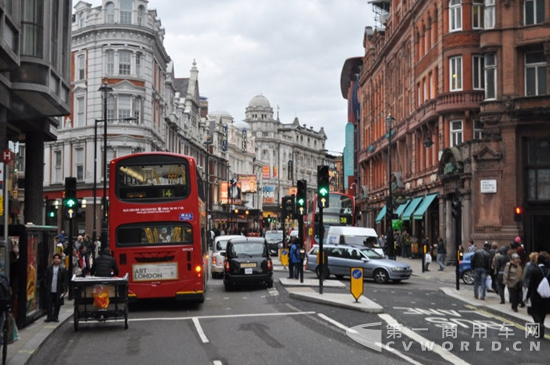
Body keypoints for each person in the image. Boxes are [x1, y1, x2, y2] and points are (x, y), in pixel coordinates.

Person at [526, 252, 550, 338]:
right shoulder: (549, 271)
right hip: (547, 296)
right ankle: (539, 331)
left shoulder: (534, 270)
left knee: (534, 311)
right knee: (542, 312)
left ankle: (539, 326)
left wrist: (527, 296)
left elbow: (531, 285)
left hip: (535, 295)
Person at [44, 253, 68, 322]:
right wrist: (46, 286)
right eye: (55, 258)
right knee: (49, 303)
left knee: (57, 303)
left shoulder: (62, 269)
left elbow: (65, 280)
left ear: (60, 260)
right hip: (50, 288)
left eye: (58, 258)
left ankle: (55, 316)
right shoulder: (49, 268)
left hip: (59, 289)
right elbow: (46, 278)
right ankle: (49, 316)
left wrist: (65, 289)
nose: (56, 260)